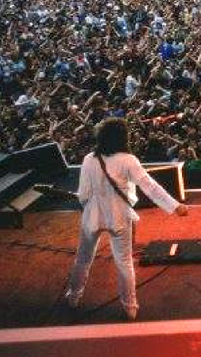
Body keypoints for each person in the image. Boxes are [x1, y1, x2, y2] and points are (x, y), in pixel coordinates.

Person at [64, 117, 189, 320]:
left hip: (92, 215)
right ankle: (130, 306)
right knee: (124, 262)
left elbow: (83, 194)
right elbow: (150, 186)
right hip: (120, 216)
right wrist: (175, 206)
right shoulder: (128, 160)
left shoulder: (88, 159)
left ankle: (73, 297)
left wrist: (91, 207)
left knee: (83, 259)